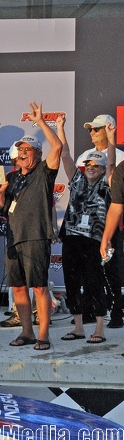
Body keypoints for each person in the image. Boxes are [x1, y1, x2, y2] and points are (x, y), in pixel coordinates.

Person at [0, 102, 62, 351]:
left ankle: (43, 334)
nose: (23, 152)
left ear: (38, 154)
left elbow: (58, 146)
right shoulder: (11, 177)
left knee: (40, 287)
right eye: (20, 148)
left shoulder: (44, 171)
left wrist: (41, 121)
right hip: (14, 238)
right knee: (19, 288)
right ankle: (27, 332)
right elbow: (2, 209)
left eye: (28, 149)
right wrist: (0, 195)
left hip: (36, 237)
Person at [57, 115, 114, 344]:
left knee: (94, 283)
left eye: (95, 165)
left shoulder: (107, 183)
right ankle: (79, 327)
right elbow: (65, 155)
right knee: (72, 284)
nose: (91, 168)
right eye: (88, 164)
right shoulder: (77, 180)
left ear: (101, 169)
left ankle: (99, 328)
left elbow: (111, 163)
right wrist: (60, 128)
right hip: (71, 238)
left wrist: (110, 139)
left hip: (94, 240)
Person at [79, 114, 124, 329]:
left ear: (109, 129)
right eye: (91, 129)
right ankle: (90, 309)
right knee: (90, 268)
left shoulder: (120, 156)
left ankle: (116, 312)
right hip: (88, 223)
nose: (92, 133)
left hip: (112, 222)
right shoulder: (85, 156)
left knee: (112, 268)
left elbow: (113, 173)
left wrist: (114, 142)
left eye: (96, 129)